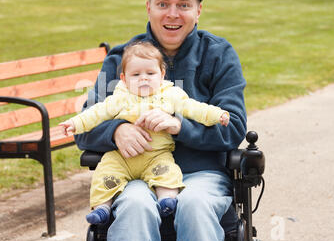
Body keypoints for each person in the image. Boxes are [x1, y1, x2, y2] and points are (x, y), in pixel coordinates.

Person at [75, 0, 247, 241]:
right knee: (134, 206)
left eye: (184, 5)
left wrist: (180, 126)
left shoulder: (218, 54)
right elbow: (85, 127)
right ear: (148, 8)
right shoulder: (121, 59)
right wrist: (116, 131)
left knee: (193, 204)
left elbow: (234, 126)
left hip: (201, 173)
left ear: (198, 11)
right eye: (163, 4)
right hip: (136, 175)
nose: (172, 14)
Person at [60, 41, 230, 225]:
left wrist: (217, 114)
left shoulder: (170, 95)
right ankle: (102, 208)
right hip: (123, 157)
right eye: (136, 75)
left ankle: (167, 200)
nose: (144, 79)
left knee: (167, 172)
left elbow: (195, 108)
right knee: (105, 173)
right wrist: (75, 123)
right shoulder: (119, 98)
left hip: (156, 154)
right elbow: (96, 113)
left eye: (150, 73)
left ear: (162, 74)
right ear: (124, 79)